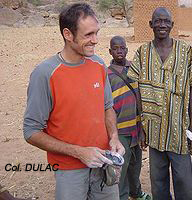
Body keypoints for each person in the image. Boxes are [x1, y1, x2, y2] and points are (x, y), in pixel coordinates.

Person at [23, 3, 125, 200]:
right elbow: (31, 132)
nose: (95, 40)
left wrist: (113, 137)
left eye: (96, 33)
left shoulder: (98, 64)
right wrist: (79, 153)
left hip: (105, 164)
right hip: (69, 171)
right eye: (88, 35)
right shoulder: (45, 74)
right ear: (68, 34)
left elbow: (107, 108)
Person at [127, 7, 192, 200]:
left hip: (179, 130)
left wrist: (191, 127)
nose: (162, 25)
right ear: (151, 25)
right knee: (158, 182)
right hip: (153, 131)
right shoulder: (143, 53)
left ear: (172, 25)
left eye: (166, 21)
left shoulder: (185, 51)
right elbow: (135, 91)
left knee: (184, 182)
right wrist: (140, 126)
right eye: (158, 21)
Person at [107, 36, 151, 200]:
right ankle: (122, 196)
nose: (119, 51)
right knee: (122, 165)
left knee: (135, 164)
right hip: (120, 130)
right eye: (115, 48)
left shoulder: (134, 68)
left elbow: (140, 94)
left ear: (126, 50)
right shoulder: (107, 74)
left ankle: (136, 193)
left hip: (136, 126)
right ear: (110, 51)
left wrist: (143, 127)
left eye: (122, 48)